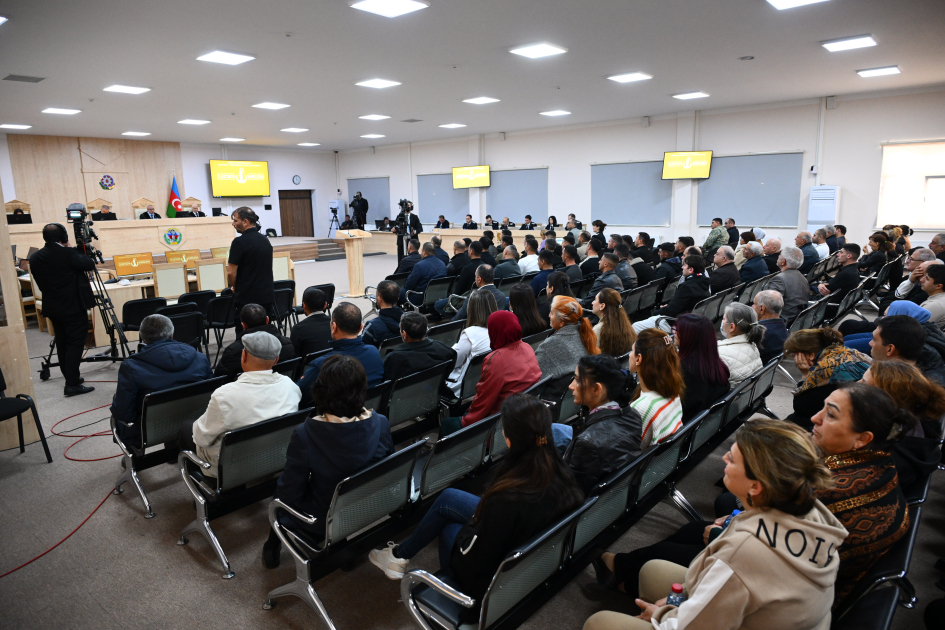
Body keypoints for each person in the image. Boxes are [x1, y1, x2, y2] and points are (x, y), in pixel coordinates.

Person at [584, 419, 844, 630]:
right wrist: (679, 602)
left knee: (600, 623)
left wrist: (663, 615)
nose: (724, 460)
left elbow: (695, 626)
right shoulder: (808, 508)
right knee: (652, 571)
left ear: (756, 486)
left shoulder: (745, 552)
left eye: (731, 459)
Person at [369, 394, 583, 619]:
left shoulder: (507, 498)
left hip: (489, 584)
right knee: (449, 498)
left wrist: (474, 525)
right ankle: (398, 556)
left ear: (510, 439)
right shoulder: (562, 473)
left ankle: (417, 570)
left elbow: (473, 562)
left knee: (449, 528)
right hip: (529, 556)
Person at [264, 355, 394, 567]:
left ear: (320, 390)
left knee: (280, 492)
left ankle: (272, 546)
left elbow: (291, 492)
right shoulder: (380, 422)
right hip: (366, 505)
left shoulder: (306, 433)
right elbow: (387, 468)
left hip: (322, 518)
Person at [809, 384, 910, 609]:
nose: (815, 417)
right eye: (822, 409)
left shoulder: (822, 490)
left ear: (862, 439)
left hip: (807, 600)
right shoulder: (882, 463)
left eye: (831, 415)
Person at [184, 332, 301, 477]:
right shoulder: (291, 386)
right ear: (276, 360)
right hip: (273, 457)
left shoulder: (224, 395)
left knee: (187, 428)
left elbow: (201, 438)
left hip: (230, 466)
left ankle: (201, 486)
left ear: (243, 356)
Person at [111, 314, 213, 443]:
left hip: (151, 430)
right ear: (171, 335)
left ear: (143, 339)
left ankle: (135, 458)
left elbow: (123, 413)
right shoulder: (200, 357)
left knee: (119, 418)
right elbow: (212, 395)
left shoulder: (131, 367)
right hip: (196, 420)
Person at [439, 311, 541, 436]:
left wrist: (466, 420)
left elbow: (485, 400)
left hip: (499, 425)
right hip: (525, 416)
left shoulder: (496, 359)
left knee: (447, 423)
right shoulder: (527, 347)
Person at [552, 355, 642, 493]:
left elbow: (569, 494)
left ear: (596, 389)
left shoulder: (588, 443)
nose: (571, 386)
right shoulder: (633, 416)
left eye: (576, 380)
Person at [28, 223, 97, 396]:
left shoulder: (36, 257)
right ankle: (72, 384)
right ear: (64, 237)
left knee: (62, 343)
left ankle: (71, 378)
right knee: (75, 344)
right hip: (73, 307)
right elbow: (89, 264)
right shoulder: (67, 254)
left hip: (53, 307)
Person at [863, 361, 945, 488]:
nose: (856, 385)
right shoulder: (910, 423)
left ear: (887, 401)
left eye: (864, 383)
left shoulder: (888, 458)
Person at [297, 302, 383, 407]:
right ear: (361, 327)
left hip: (334, 421)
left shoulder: (321, 365)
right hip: (369, 416)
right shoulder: (374, 352)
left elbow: (298, 397)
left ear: (334, 327)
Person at [783, 328, 870, 431]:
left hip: (857, 420)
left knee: (794, 421)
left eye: (795, 356)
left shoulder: (825, 369)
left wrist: (805, 375)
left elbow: (801, 407)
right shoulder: (848, 353)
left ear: (810, 354)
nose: (795, 360)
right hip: (865, 408)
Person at [628, 329, 684, 448]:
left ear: (639, 359)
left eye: (632, 351)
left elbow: (628, 452)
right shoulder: (673, 391)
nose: (629, 355)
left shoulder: (642, 408)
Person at [536, 296, 600, 393]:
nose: (549, 315)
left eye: (552, 313)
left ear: (561, 322)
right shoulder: (585, 334)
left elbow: (534, 383)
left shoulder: (548, 347)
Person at [215, 304, 295, 379]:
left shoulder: (232, 351)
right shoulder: (288, 343)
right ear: (267, 320)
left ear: (243, 325)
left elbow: (219, 380)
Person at [632, 256, 710, 334]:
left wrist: (657, 311)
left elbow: (671, 311)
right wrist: (668, 307)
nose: (682, 267)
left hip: (676, 322)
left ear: (691, 270)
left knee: (635, 326)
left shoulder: (687, 286)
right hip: (692, 321)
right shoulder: (704, 283)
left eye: (685, 265)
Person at [674, 314, 730, 421]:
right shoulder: (715, 364)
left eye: (679, 330)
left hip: (685, 426)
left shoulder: (682, 369)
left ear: (689, 337)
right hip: (705, 425)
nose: (675, 333)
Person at [867, 310, 945, 386]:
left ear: (890, 349)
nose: (870, 343)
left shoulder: (894, 390)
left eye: (874, 339)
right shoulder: (925, 376)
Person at [446, 290, 496, 396]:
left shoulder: (470, 333)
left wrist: (454, 347)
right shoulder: (499, 329)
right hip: (487, 382)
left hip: (462, 387)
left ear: (472, 309)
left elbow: (454, 361)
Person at [227, 207, 275, 316]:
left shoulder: (239, 242)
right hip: (266, 295)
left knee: (246, 331)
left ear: (245, 222)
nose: (233, 224)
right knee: (265, 330)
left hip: (247, 299)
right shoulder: (265, 240)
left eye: (235, 220)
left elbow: (230, 272)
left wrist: (235, 287)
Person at [382, 312, 456, 381]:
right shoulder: (442, 348)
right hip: (434, 391)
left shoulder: (394, 358)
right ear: (425, 330)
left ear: (404, 334)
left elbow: (387, 384)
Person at [716, 302, 765, 386]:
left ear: (731, 327)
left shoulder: (721, 354)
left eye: (724, 319)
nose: (722, 321)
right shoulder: (753, 344)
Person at [766, 246, 810, 323]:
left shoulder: (779, 279)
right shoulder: (802, 277)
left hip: (783, 320)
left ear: (783, 262)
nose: (778, 257)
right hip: (797, 319)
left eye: (780, 255)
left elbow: (771, 305)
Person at [592, 288, 635, 357]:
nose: (592, 302)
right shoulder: (625, 324)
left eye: (595, 300)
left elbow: (592, 356)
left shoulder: (598, 329)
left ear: (602, 306)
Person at [289, 288, 331, 357]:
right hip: (335, 364)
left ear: (304, 306)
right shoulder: (336, 323)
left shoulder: (298, 329)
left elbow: (295, 358)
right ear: (325, 305)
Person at [402, 242, 447, 306]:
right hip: (437, 297)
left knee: (397, 292)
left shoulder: (420, 265)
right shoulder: (442, 264)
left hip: (420, 298)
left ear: (424, 252)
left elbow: (408, 286)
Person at [362, 280, 404, 347]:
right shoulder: (410, 321)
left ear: (379, 298)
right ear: (398, 298)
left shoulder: (372, 327)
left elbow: (363, 349)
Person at [752, 290, 788, 364]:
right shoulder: (783, 327)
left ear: (762, 309)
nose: (752, 307)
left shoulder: (758, 333)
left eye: (754, 304)